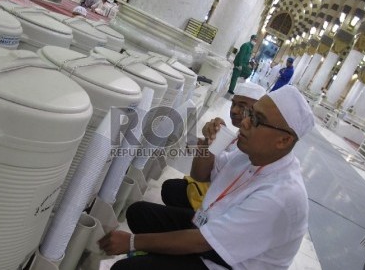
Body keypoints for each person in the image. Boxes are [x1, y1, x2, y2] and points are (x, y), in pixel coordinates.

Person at [99, 85, 315, 270]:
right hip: (213, 228)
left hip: (235, 262)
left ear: (283, 141)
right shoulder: (248, 155)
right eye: (251, 113)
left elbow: (202, 241)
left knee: (124, 268)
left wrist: (133, 242)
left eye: (257, 119)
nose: (245, 122)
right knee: (139, 213)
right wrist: (208, 145)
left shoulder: (281, 196)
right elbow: (199, 175)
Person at [161, 81, 266, 211]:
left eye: (242, 107)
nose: (233, 110)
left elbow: (201, 174)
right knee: (171, 188)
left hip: (218, 205)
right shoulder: (239, 134)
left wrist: (210, 142)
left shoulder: (253, 147)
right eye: (233, 103)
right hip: (213, 191)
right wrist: (207, 141)